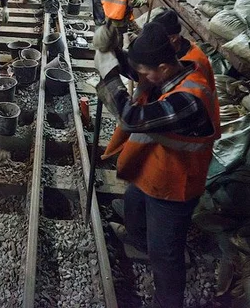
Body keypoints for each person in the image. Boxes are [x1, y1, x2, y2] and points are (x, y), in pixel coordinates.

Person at [94, 23, 220, 308]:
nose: (141, 78)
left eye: (145, 72)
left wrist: (109, 75)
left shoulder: (190, 101)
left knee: (165, 253)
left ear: (162, 68)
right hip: (154, 169)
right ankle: (139, 241)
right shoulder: (172, 70)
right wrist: (114, 52)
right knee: (133, 203)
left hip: (175, 187)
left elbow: (132, 118)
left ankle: (167, 301)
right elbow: (139, 71)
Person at [150, 10, 217, 98]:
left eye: (159, 39)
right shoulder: (183, 46)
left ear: (173, 38)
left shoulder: (190, 62)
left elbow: (185, 91)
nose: (156, 43)